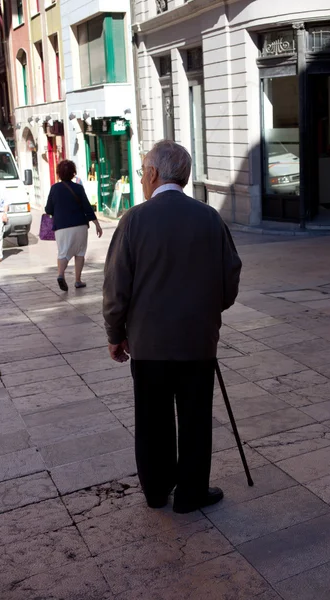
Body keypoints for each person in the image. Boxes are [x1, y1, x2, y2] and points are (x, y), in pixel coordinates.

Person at [103, 140, 242, 513]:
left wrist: (116, 335)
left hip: (149, 345)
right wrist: (209, 311)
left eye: (142, 172)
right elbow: (230, 278)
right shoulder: (209, 217)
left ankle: (156, 491)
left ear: (152, 173)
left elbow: (117, 286)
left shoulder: (134, 219)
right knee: (196, 420)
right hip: (197, 342)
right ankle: (191, 493)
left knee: (152, 420)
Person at [45, 159, 103, 291]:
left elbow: (48, 209)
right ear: (73, 173)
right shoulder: (78, 188)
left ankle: (60, 274)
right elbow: (87, 208)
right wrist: (97, 225)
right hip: (80, 225)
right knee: (80, 252)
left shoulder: (54, 189)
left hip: (62, 227)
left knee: (63, 253)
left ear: (59, 173)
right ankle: (78, 280)